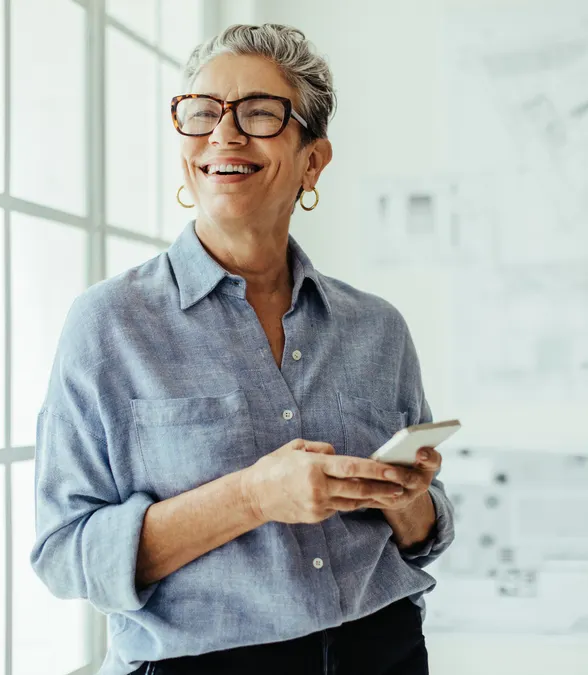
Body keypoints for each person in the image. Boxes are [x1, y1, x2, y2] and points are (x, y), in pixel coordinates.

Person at [30, 23, 455, 675]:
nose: (224, 134)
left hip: (385, 650)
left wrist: (405, 497)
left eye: (259, 114)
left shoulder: (378, 328)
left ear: (313, 161)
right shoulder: (109, 324)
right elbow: (66, 554)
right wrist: (252, 497)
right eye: (203, 113)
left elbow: (422, 538)